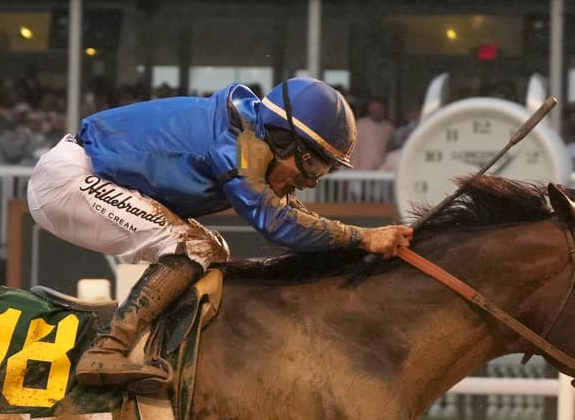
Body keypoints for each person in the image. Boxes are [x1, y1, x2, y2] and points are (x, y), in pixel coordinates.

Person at [26, 76, 413, 393]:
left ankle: (153, 348)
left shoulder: (250, 133)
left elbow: (287, 212)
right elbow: (277, 224)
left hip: (85, 174)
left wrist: (361, 236)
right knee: (191, 247)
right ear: (283, 138)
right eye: (311, 164)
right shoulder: (234, 146)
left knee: (210, 249)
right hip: (69, 180)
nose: (311, 181)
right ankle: (106, 351)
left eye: (322, 172)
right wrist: (363, 239)